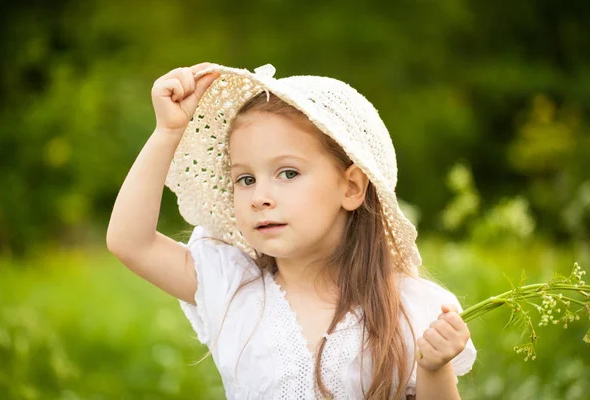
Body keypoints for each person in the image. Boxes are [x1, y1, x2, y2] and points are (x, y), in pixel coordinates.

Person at [106, 62, 477, 399]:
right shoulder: (233, 286)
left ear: (350, 187)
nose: (259, 197)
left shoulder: (408, 310)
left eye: (288, 173)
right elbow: (130, 242)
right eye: (245, 179)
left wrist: (434, 367)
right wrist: (168, 130)